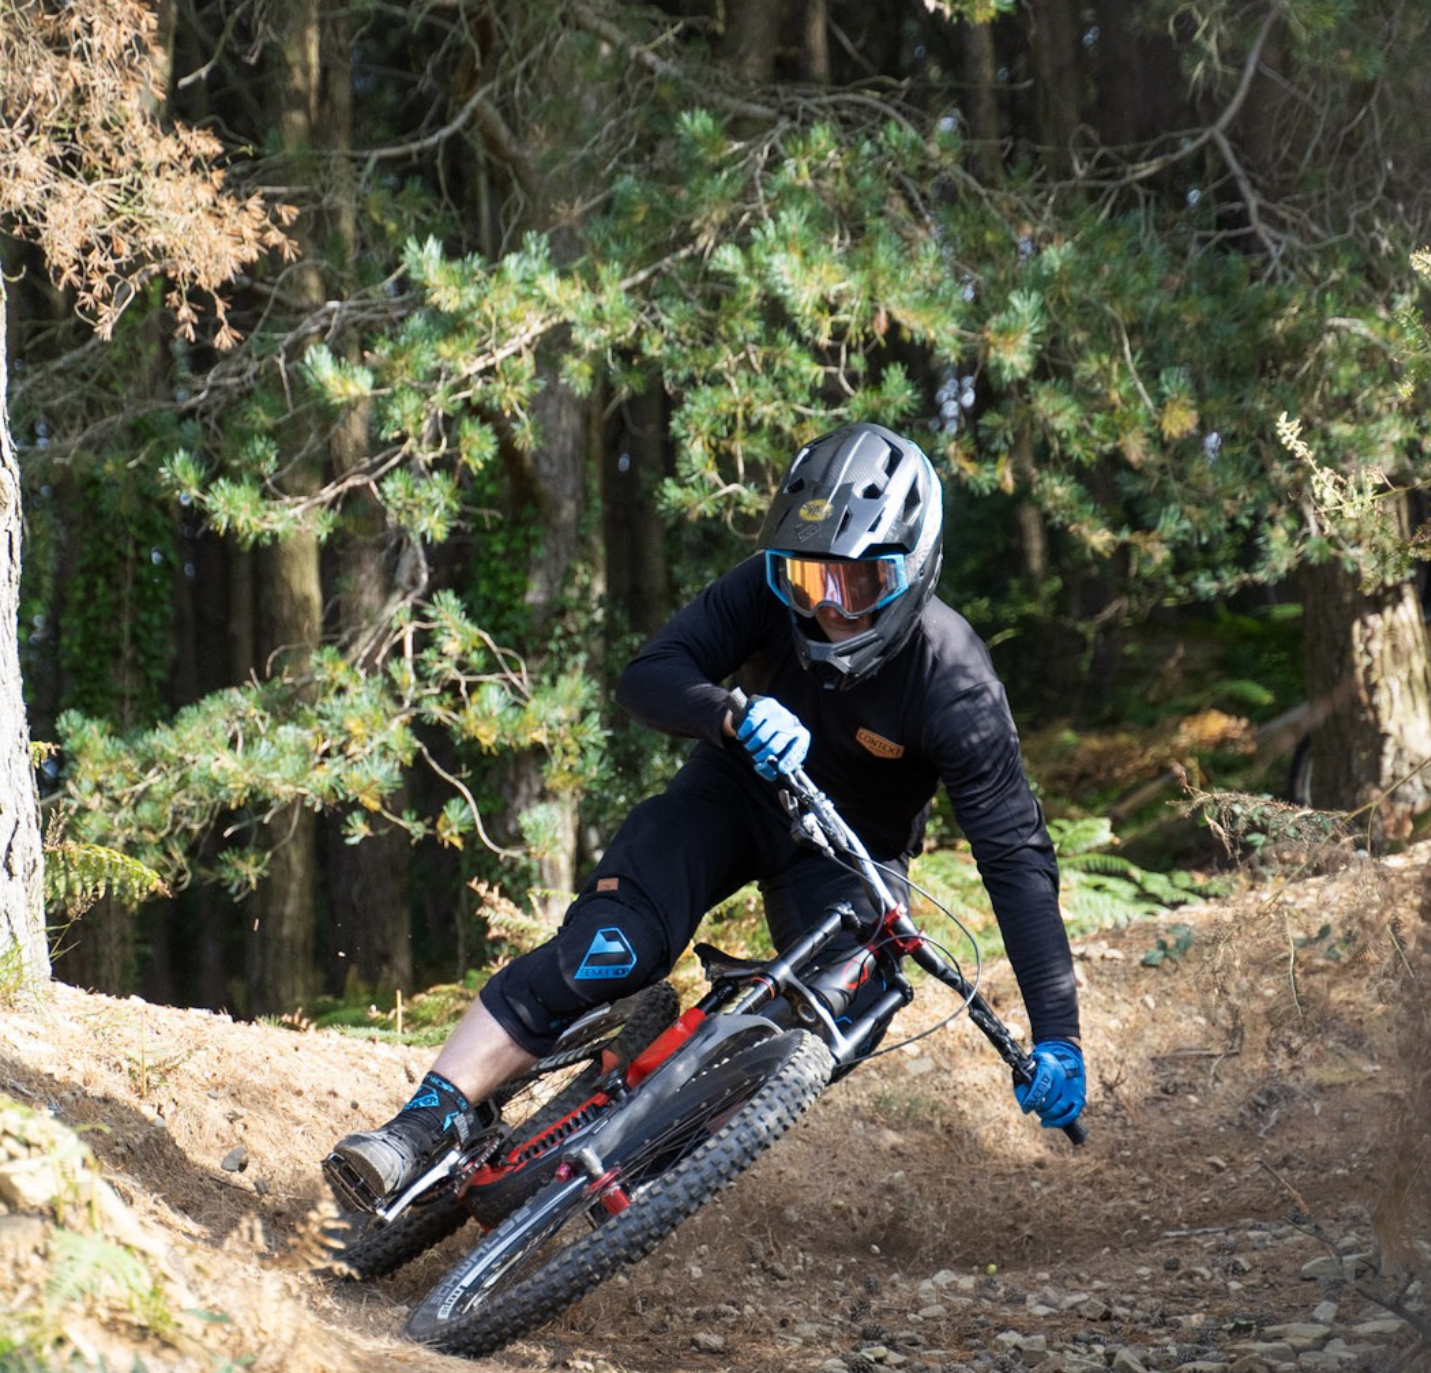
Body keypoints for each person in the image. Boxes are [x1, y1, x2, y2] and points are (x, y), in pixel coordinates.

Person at [325, 420, 1085, 1211]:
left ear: (913, 571)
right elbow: (649, 673)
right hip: (731, 796)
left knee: (844, 1010)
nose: (828, 607)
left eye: (859, 585)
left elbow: (1015, 855)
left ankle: (657, 1156)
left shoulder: (955, 683)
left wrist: (1057, 1033)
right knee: (608, 948)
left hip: (849, 852)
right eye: (806, 579)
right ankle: (421, 1124)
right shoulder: (761, 590)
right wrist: (730, 714)